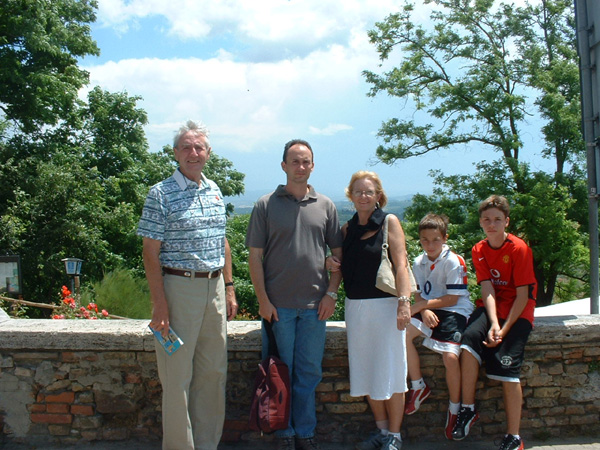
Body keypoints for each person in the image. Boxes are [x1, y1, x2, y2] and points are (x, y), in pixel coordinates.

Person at [137, 120, 238, 450]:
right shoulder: (161, 193)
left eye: (199, 147)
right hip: (178, 289)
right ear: (176, 153)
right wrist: (160, 304)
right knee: (177, 378)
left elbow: (222, 241)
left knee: (213, 375)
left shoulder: (214, 190)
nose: (193, 153)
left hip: (214, 292)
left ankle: (206, 445)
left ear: (208, 153)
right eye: (186, 147)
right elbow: (150, 252)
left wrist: (229, 287)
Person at [246, 139, 343, 450]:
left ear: (312, 166)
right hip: (278, 308)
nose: (301, 166)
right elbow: (254, 258)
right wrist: (262, 301)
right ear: (284, 165)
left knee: (309, 374)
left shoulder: (326, 206)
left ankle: (305, 432)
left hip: (316, 307)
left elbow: (339, 258)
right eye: (295, 161)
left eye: (306, 161)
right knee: (278, 374)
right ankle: (284, 433)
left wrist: (331, 293)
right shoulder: (265, 205)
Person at [451, 195, 537, 450]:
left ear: (506, 222)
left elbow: (523, 295)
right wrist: (492, 322)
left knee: (508, 370)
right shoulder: (479, 249)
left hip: (519, 311)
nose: (492, 224)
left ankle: (514, 437)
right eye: (487, 220)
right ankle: (467, 408)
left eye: (497, 220)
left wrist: (504, 328)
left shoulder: (519, 248)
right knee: (467, 342)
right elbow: (487, 289)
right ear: (480, 222)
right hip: (493, 308)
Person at [338, 171, 412, 450]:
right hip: (356, 308)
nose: (364, 196)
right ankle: (382, 431)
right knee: (367, 370)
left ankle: (395, 435)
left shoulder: (389, 222)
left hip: (386, 306)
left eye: (369, 192)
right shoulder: (347, 230)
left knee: (391, 370)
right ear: (351, 195)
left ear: (379, 195)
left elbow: (401, 264)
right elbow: (342, 265)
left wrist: (404, 303)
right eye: (359, 191)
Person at [404, 213, 473, 440]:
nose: (430, 245)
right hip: (430, 308)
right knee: (402, 334)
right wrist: (422, 309)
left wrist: (420, 307)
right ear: (420, 240)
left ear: (445, 238)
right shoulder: (418, 262)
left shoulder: (453, 261)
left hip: (455, 310)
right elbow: (418, 294)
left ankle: (455, 408)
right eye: (425, 240)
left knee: (451, 357)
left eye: (435, 239)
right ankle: (418, 386)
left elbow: (453, 299)